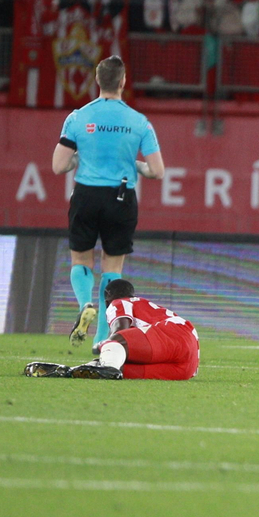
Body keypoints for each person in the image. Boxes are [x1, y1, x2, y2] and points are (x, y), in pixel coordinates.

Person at [48, 57, 166, 350]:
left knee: (80, 260)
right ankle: (101, 337)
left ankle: (84, 304)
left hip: (86, 195)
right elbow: (157, 171)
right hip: (121, 197)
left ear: (97, 81)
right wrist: (135, 166)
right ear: (123, 81)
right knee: (112, 268)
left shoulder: (78, 117)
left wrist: (79, 159)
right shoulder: (139, 122)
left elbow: (59, 166)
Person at [26, 277, 201, 380]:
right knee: (120, 370)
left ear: (107, 296)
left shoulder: (119, 302)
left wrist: (105, 345)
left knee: (114, 343)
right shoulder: (142, 304)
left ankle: (105, 368)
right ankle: (72, 371)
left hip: (174, 334)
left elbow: (120, 332)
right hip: (187, 366)